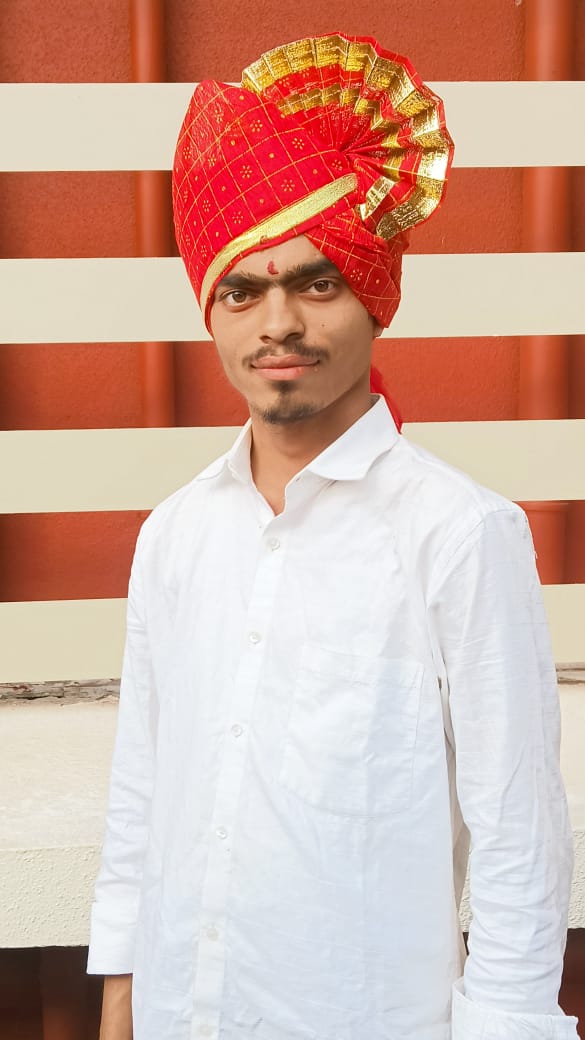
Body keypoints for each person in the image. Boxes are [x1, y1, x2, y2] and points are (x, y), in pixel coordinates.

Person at [87, 32, 578, 1040]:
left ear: (372, 298)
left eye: (316, 283)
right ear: (213, 314)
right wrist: (122, 989)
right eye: (242, 290)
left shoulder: (458, 533)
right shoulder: (176, 533)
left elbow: (518, 836)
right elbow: (144, 784)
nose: (278, 323)